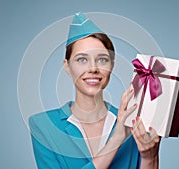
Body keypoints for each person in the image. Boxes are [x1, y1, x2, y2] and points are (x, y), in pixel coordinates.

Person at [29, 12, 161, 169]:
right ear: (67, 66)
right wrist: (117, 138)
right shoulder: (43, 126)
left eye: (102, 59)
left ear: (111, 65)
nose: (93, 68)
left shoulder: (133, 123)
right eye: (82, 59)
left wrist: (150, 157)